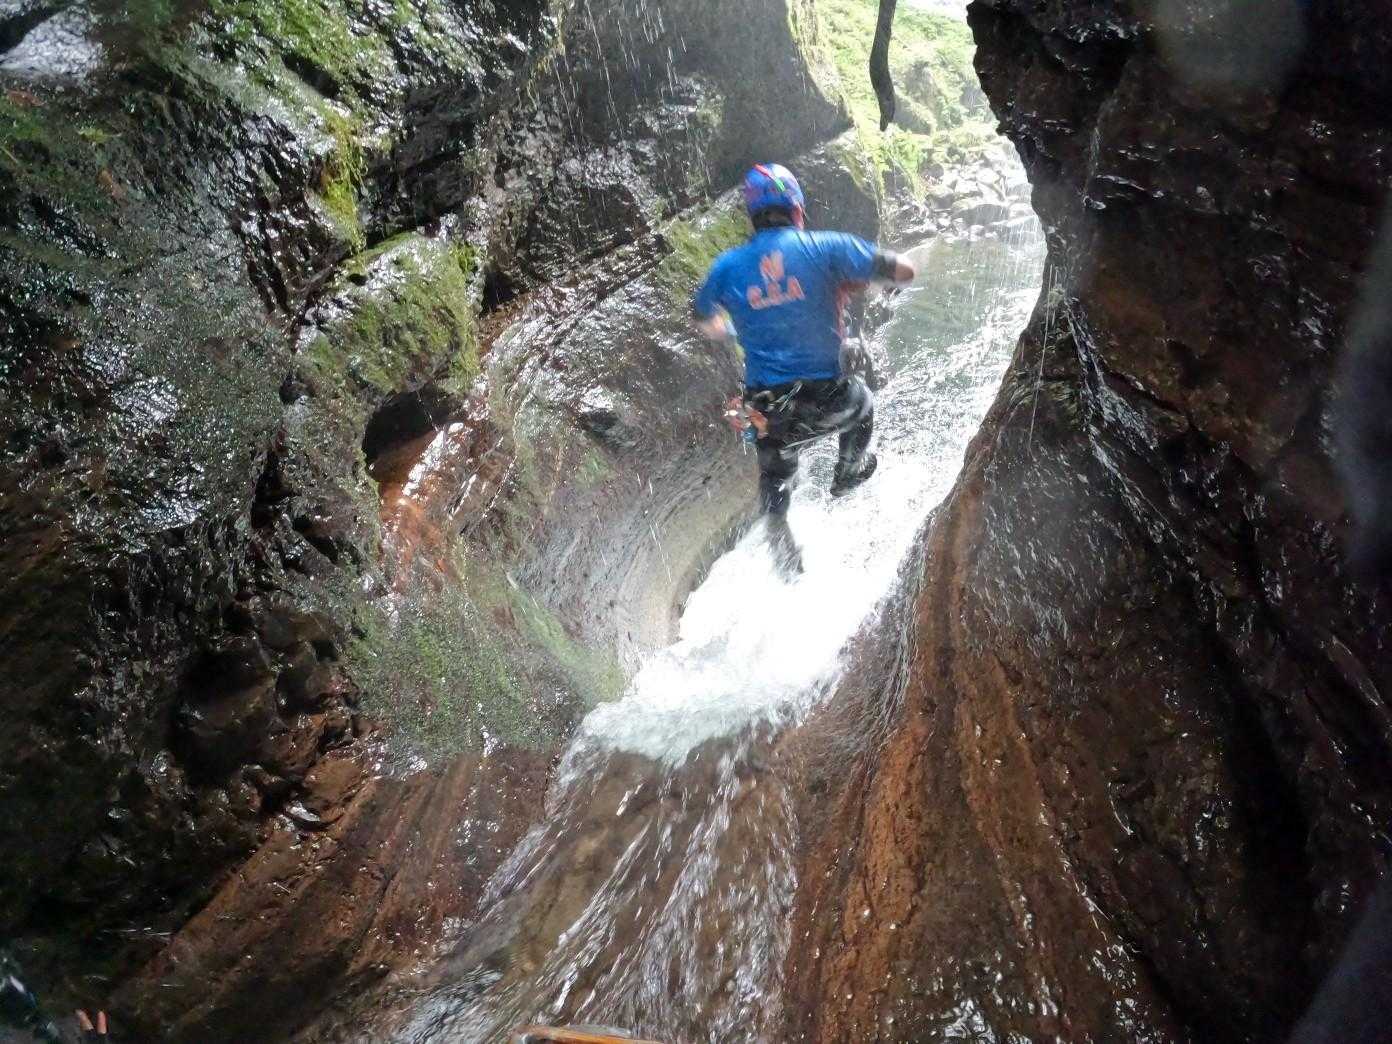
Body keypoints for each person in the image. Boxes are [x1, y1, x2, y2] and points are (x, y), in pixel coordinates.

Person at [692, 162, 916, 576]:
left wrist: (732, 330)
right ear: (797, 208)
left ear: (752, 216)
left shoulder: (726, 268)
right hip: (825, 398)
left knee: (775, 475)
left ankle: (781, 541)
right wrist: (875, 284)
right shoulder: (827, 247)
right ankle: (848, 472)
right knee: (863, 403)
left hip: (767, 410)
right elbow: (905, 270)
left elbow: (705, 319)